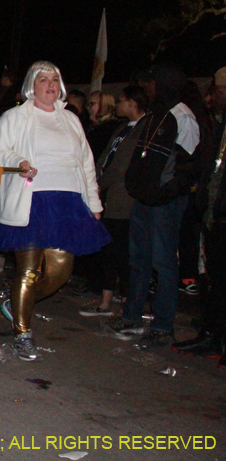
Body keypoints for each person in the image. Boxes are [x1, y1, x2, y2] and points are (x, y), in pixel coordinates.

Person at [0, 61, 109, 361]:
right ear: (32, 85)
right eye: (44, 79)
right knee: (27, 271)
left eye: (55, 79)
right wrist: (19, 161)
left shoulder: (71, 120)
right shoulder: (16, 116)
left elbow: (86, 163)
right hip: (31, 199)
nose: (50, 85)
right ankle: (23, 334)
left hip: (67, 202)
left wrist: (94, 203)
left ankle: (17, 306)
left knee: (60, 271)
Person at [108, 63, 200, 347]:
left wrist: (164, 194)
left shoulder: (182, 116)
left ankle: (162, 325)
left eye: (151, 83)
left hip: (164, 204)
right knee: (139, 260)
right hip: (144, 200)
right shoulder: (156, 115)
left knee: (163, 263)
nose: (147, 88)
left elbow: (189, 166)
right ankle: (133, 315)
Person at [172, 67, 226, 367]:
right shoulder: (220, 125)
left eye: (217, 92)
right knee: (213, 279)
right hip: (214, 215)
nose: (212, 97)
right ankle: (212, 333)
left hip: (222, 215)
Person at [80, 86, 147, 317]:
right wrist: (94, 180)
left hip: (124, 200)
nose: (118, 105)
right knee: (110, 251)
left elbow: (121, 166)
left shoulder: (142, 129)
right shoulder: (122, 128)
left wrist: (99, 183)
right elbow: (105, 157)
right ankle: (106, 301)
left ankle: (127, 305)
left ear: (132, 103)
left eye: (121, 101)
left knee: (123, 253)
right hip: (109, 197)